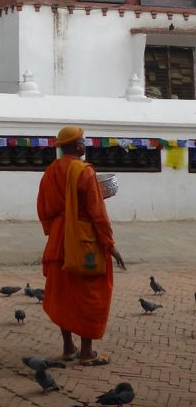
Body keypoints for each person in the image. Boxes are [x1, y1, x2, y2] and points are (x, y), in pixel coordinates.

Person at [37, 125, 126, 366]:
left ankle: (68, 347)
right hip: (85, 241)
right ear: (77, 146)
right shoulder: (85, 172)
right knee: (91, 294)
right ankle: (86, 353)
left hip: (58, 242)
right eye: (83, 141)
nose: (85, 144)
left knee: (63, 295)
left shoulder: (51, 171)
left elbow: (43, 208)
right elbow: (98, 213)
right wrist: (109, 244)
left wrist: (55, 231)